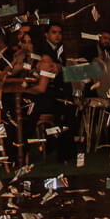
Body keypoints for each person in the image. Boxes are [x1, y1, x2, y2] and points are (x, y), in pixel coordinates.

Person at [30, 22, 77, 160]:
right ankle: (62, 153)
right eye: (54, 32)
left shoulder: (60, 49)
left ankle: (64, 152)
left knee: (69, 111)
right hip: (48, 93)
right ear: (47, 35)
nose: (57, 36)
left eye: (59, 33)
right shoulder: (43, 50)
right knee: (65, 110)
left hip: (60, 90)